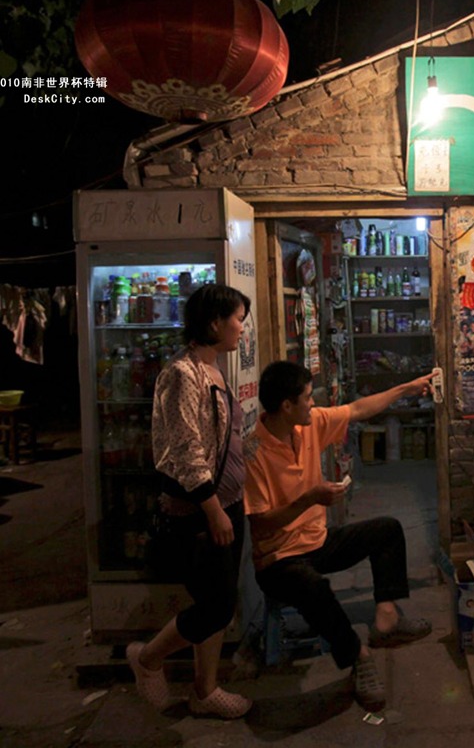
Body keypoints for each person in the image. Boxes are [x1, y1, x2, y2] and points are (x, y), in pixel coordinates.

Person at [243, 361, 435, 713]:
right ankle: (356, 656)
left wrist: (406, 389)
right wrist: (309, 499)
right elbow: (261, 526)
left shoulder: (308, 425)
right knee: (313, 587)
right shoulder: (254, 451)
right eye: (306, 398)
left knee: (388, 530)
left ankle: (386, 618)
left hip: (317, 541)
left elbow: (359, 409)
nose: (313, 404)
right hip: (278, 560)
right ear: (286, 406)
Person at [128, 283, 253, 719]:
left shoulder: (214, 368)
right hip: (201, 510)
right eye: (238, 318)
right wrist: (214, 510)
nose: (242, 327)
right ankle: (147, 658)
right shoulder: (183, 373)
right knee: (217, 607)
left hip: (228, 503)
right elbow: (185, 449)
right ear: (215, 322)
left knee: (216, 601)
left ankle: (205, 690)